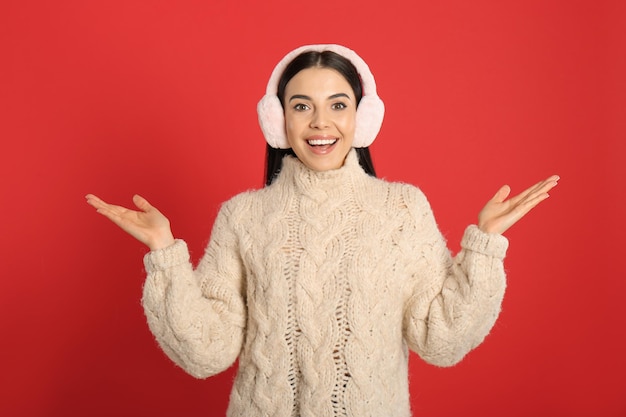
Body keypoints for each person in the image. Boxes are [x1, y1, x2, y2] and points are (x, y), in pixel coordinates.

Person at [86, 44, 559, 417]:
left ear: (362, 116)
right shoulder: (242, 217)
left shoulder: (402, 209)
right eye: (301, 106)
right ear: (277, 119)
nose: (320, 123)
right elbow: (206, 351)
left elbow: (441, 339)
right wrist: (164, 252)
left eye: (337, 104)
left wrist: (484, 245)